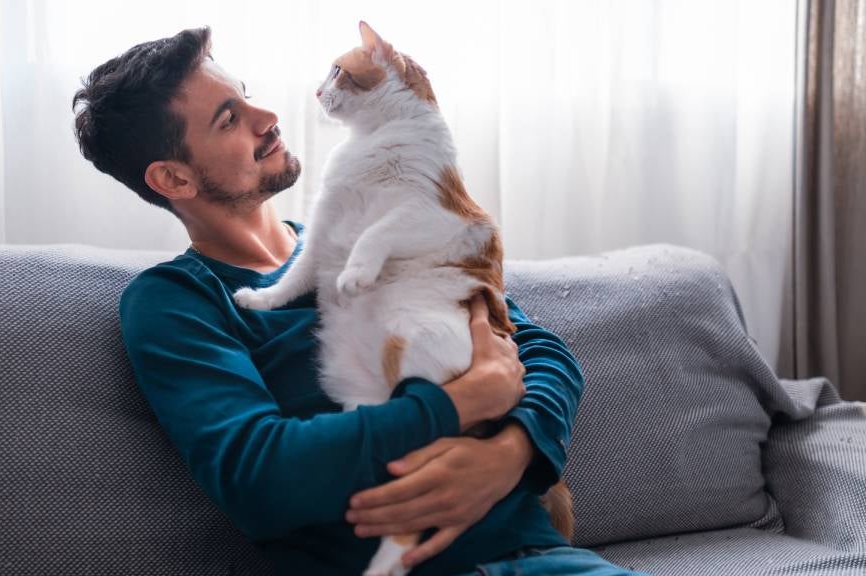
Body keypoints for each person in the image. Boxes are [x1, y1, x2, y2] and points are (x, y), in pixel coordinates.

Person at [73, 26, 646, 576]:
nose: (267, 117)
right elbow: (262, 476)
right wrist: (463, 402)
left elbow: (537, 347)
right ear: (173, 180)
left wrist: (511, 453)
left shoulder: (375, 229)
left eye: (246, 97)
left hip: (548, 559)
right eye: (230, 120)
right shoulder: (177, 301)